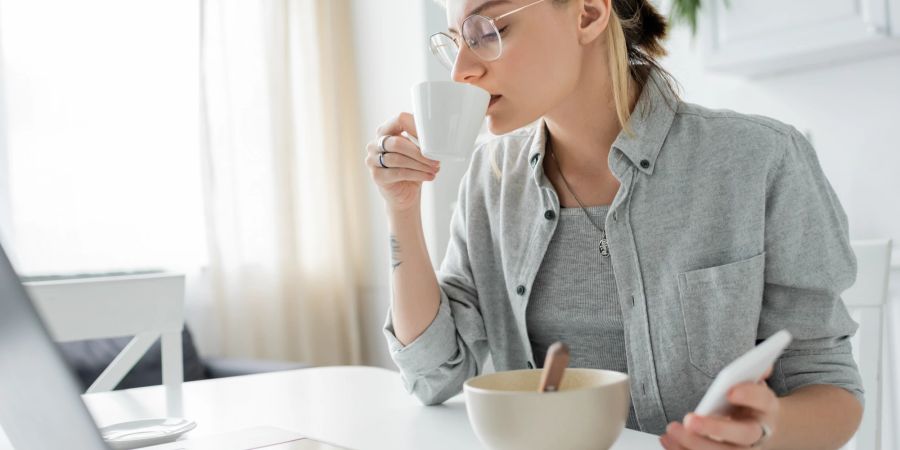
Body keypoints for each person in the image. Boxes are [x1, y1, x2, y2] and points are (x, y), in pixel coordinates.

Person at [363, 0, 864, 448]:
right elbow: (433, 375)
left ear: (588, 14)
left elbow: (830, 388)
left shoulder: (759, 161)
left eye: (487, 31)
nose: (461, 71)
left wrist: (765, 429)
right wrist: (400, 208)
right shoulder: (489, 183)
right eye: (454, 43)